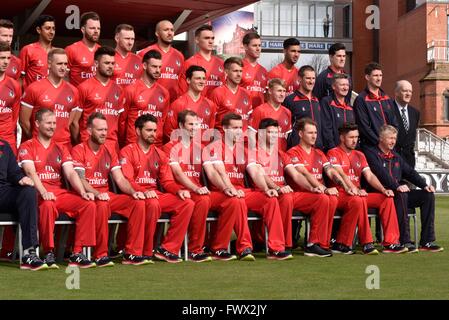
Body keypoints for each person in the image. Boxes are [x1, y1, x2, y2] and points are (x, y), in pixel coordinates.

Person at [203, 113, 292, 260]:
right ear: (224, 128)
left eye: (240, 128)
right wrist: (229, 188)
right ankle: (245, 248)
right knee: (237, 200)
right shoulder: (214, 147)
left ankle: (276, 249)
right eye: (234, 128)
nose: (238, 131)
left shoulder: (245, 149)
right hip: (220, 191)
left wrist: (267, 189)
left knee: (269, 199)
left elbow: (256, 171)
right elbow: (218, 172)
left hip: (242, 191)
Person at [163, 110, 247, 261]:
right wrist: (195, 188)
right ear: (181, 125)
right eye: (190, 124)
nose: (195, 127)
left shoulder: (202, 148)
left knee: (232, 200)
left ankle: (219, 248)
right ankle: (195, 249)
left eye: (197, 124)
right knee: (203, 199)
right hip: (181, 192)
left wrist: (226, 188)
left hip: (198, 191)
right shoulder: (170, 147)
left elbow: (212, 172)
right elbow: (177, 173)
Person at [18, 108, 96, 269]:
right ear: (37, 124)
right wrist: (44, 192)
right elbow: (30, 172)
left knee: (88, 204)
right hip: (38, 193)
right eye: (48, 123)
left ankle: (77, 253)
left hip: (59, 193)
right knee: (47, 205)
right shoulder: (27, 146)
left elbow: (71, 173)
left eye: (54, 123)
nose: (52, 126)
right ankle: (48, 252)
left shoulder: (61, 147)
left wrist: (83, 192)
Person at [72, 112, 149, 266]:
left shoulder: (109, 150)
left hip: (107, 195)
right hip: (89, 195)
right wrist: (97, 194)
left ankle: (132, 254)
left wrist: (134, 192)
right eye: (100, 130)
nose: (104, 133)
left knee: (137, 202)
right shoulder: (79, 150)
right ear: (89, 131)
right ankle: (100, 255)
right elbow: (81, 179)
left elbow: (120, 179)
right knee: (101, 204)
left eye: (106, 130)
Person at [119, 114, 194, 263]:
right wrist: (144, 191)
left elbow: (167, 181)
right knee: (152, 203)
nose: (153, 134)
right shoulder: (127, 151)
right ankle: (140, 252)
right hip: (135, 194)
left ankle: (167, 250)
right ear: (138, 131)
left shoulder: (160, 154)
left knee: (187, 202)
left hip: (155, 194)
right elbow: (128, 179)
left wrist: (178, 190)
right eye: (148, 130)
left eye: (154, 130)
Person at [327, 123, 407, 253]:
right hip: (340, 194)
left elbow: (369, 175)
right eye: (351, 137)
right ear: (342, 138)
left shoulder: (360, 154)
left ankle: (391, 243)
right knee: (360, 199)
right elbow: (339, 173)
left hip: (357, 194)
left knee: (386, 198)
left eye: (356, 137)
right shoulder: (333, 153)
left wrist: (383, 189)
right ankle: (367, 243)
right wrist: (354, 188)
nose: (355, 140)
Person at [255, 118, 332, 252]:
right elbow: (260, 175)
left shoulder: (282, 154)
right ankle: (284, 244)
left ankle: (314, 244)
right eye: (269, 133)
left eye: (275, 133)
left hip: (284, 192)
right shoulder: (254, 152)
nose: (274, 136)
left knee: (322, 198)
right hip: (265, 192)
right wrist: (277, 187)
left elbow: (296, 175)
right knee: (286, 197)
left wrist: (312, 188)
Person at [364, 125, 444, 253]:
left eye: (394, 138)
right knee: (402, 195)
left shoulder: (395, 155)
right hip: (381, 193)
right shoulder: (371, 153)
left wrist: (424, 185)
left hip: (398, 192)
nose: (393, 141)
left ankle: (427, 241)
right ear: (381, 139)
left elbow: (410, 172)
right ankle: (404, 240)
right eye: (390, 138)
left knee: (427, 196)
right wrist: (396, 186)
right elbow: (380, 174)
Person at [0, 139, 47, 270]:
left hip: (2, 192)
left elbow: (14, 173)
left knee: (28, 192)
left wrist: (21, 178)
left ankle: (29, 252)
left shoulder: (4, 146)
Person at [20, 48, 79, 150]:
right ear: (49, 64)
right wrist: (36, 139)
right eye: (59, 64)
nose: (63, 67)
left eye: (65, 64)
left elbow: (68, 122)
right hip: (39, 147)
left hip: (64, 147)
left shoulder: (73, 91)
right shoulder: (34, 88)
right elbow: (24, 121)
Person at [71, 46, 125, 148]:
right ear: (96, 63)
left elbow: (117, 121)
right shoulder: (83, 87)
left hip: (111, 146)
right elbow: (74, 122)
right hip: (89, 144)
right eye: (106, 63)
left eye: (113, 63)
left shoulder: (119, 89)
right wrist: (80, 144)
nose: (110, 66)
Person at [121, 49, 169, 148]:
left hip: (156, 145)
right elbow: (122, 121)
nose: (158, 70)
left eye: (160, 67)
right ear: (144, 66)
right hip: (134, 144)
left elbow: (163, 121)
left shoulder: (164, 93)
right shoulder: (130, 90)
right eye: (154, 67)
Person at [164, 65, 216, 142]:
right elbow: (169, 132)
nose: (202, 82)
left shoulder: (210, 105)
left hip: (203, 151)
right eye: (198, 78)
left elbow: (210, 133)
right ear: (188, 80)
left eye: (204, 79)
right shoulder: (178, 104)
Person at [353, 62, 398, 149]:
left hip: (389, 148)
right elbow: (364, 127)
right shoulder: (361, 100)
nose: (379, 78)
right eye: (375, 75)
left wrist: (392, 140)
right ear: (367, 77)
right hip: (372, 147)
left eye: (380, 75)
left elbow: (395, 123)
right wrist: (379, 142)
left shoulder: (387, 98)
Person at [137, 20, 184, 103]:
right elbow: (137, 80)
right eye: (166, 30)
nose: (170, 33)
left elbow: (181, 81)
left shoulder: (179, 56)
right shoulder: (144, 53)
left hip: (172, 103)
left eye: (172, 30)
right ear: (157, 33)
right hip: (150, 102)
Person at [178, 25, 224, 98]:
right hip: (199, 107)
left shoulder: (221, 63)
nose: (210, 41)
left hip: (217, 108)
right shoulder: (189, 63)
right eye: (206, 38)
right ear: (197, 40)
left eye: (212, 38)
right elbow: (183, 92)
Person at [283, 65, 323, 149]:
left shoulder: (316, 100)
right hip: (298, 149)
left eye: (313, 78)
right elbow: (285, 128)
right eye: (308, 78)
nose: (311, 81)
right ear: (299, 79)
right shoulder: (290, 100)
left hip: (317, 149)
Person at [209, 57, 252, 132]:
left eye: (240, 71)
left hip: (242, 141)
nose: (239, 74)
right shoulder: (217, 93)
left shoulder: (247, 93)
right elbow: (211, 120)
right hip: (223, 139)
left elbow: (250, 120)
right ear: (226, 72)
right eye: (235, 71)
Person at [248, 78, 291, 152]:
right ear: (270, 91)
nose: (282, 94)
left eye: (284, 91)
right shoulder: (260, 110)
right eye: (279, 91)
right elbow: (251, 135)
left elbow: (286, 137)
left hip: (281, 156)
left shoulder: (287, 112)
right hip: (264, 156)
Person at [65, 12, 101, 87]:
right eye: (92, 28)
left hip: (98, 96)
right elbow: (63, 76)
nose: (96, 31)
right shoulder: (71, 49)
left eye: (98, 28)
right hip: (77, 97)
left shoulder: (102, 51)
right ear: (83, 29)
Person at [19, 15, 55, 89]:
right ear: (38, 30)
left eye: (53, 28)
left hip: (52, 97)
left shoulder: (57, 52)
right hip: (32, 98)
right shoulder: (28, 50)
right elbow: (19, 77)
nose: (51, 32)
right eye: (48, 28)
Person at [321, 74, 354, 151]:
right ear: (334, 86)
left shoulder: (350, 107)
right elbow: (326, 128)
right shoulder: (327, 102)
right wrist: (333, 149)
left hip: (349, 151)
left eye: (347, 85)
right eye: (342, 85)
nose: (345, 88)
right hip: (333, 151)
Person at [392, 80, 419, 168]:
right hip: (393, 159)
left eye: (410, 91)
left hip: (409, 162)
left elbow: (411, 137)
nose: (408, 94)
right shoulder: (388, 109)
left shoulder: (415, 113)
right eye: (405, 91)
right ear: (396, 93)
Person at [0, 41, 21, 154]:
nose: (5, 62)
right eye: (2, 58)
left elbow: (15, 114)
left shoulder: (14, 85)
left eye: (8, 58)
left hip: (8, 139)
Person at [240, 32, 268, 108]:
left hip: (260, 115)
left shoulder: (264, 71)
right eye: (254, 46)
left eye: (259, 45)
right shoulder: (239, 67)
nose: (258, 49)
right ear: (245, 47)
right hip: (242, 113)